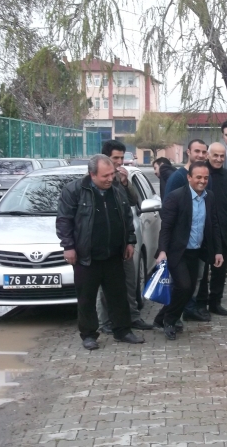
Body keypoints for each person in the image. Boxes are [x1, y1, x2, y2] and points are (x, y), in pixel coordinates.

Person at [56, 154, 144, 350]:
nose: (110, 179)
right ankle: (88, 334)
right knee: (86, 297)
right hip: (86, 256)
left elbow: (127, 217)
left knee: (118, 295)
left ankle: (122, 330)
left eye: (112, 174)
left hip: (113, 254)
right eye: (105, 176)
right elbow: (64, 220)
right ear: (92, 174)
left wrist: (130, 241)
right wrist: (68, 246)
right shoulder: (75, 191)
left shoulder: (116, 191)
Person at [155, 162, 224, 341]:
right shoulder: (175, 197)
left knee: (189, 289)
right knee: (183, 286)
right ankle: (170, 321)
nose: (202, 181)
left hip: (197, 251)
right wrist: (162, 251)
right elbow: (166, 227)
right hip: (177, 252)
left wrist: (218, 251)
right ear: (189, 177)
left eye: (205, 178)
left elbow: (215, 225)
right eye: (198, 177)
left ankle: (161, 317)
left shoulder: (210, 197)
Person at [96, 141, 154, 334]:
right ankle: (104, 323)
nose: (120, 162)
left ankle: (133, 317)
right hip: (103, 245)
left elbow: (133, 203)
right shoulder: (98, 182)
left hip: (124, 242)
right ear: (106, 159)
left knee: (130, 281)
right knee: (105, 287)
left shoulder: (120, 180)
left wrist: (125, 183)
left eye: (122, 158)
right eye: (116, 158)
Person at [163, 139, 211, 323]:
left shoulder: (206, 180)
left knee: (192, 284)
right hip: (179, 246)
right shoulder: (177, 178)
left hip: (197, 246)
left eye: (203, 151)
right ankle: (172, 318)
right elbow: (167, 216)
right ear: (188, 152)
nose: (200, 154)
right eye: (196, 151)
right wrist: (163, 249)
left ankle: (178, 313)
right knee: (181, 285)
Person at [193, 143, 227, 316]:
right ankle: (200, 304)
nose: (218, 159)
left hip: (223, 227)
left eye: (222, 156)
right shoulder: (202, 174)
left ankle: (215, 302)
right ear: (208, 155)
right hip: (203, 227)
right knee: (202, 269)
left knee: (220, 269)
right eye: (215, 155)